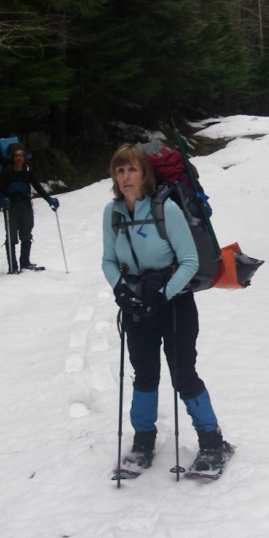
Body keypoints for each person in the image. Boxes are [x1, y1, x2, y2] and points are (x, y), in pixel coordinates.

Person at [102, 143, 231, 475]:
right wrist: (120, 291)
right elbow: (108, 259)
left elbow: (189, 261)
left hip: (174, 307)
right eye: (120, 170)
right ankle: (143, 441)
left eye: (132, 169)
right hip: (135, 308)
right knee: (144, 375)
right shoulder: (112, 213)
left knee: (183, 375)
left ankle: (213, 442)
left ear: (145, 175)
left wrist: (163, 295)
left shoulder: (166, 210)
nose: (125, 176)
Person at [0, 143, 59, 273]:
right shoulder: (6, 172)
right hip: (11, 208)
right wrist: (2, 199)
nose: (19, 158)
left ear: (25, 157)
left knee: (26, 234)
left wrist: (49, 199)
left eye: (21, 155)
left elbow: (38, 187)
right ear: (12, 157)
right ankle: (13, 267)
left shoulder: (28, 171)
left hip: (25, 206)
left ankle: (25, 262)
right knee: (11, 236)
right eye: (16, 156)